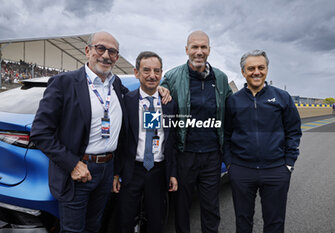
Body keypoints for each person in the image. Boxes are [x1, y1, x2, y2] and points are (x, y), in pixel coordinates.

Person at [30, 31, 171, 233]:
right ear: (88, 51)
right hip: (78, 172)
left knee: (94, 227)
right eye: (100, 48)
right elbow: (40, 132)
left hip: (107, 172)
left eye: (112, 51)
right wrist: (72, 164)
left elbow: (142, 95)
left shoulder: (116, 85)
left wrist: (161, 89)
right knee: (73, 230)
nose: (106, 55)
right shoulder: (64, 83)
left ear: (116, 56)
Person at [162, 30, 232, 233]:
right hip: (184, 155)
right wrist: (160, 89)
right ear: (187, 50)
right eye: (195, 47)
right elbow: (155, 96)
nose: (199, 51)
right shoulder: (173, 77)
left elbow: (232, 109)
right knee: (182, 206)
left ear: (209, 50)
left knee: (211, 207)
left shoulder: (220, 78)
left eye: (203, 47)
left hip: (212, 155)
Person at [224, 49, 302, 233]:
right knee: (243, 222)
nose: (256, 72)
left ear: (267, 69)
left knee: (274, 223)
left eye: (261, 67)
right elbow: (226, 134)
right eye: (251, 68)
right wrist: (230, 165)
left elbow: (293, 131)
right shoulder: (233, 101)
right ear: (243, 72)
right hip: (242, 170)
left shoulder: (283, 98)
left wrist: (289, 163)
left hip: (276, 170)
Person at [114, 51, 178, 233]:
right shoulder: (127, 101)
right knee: (125, 221)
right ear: (136, 72)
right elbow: (121, 139)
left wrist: (172, 173)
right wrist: (116, 173)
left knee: (156, 222)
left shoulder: (169, 103)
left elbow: (171, 141)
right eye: (147, 70)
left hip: (158, 170)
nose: (152, 75)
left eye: (157, 71)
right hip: (132, 170)